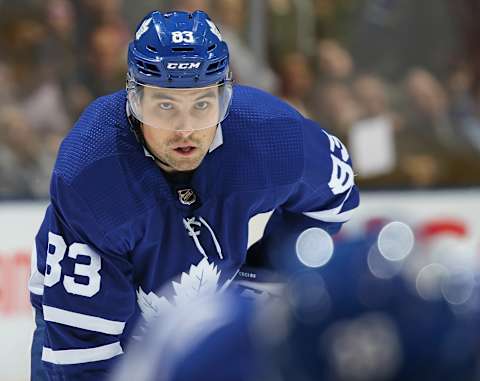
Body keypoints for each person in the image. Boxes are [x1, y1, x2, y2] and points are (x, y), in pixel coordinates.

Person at [28, 10, 359, 380]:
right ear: (135, 100)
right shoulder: (92, 172)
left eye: (201, 104)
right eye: (165, 105)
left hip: (200, 320)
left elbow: (335, 196)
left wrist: (261, 276)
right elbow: (83, 358)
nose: (184, 129)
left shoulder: (273, 137)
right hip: (96, 329)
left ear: (224, 97)